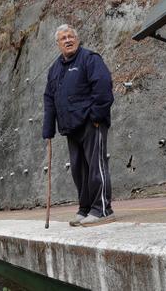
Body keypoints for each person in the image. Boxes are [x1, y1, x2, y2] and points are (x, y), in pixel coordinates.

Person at [42, 24, 115, 226]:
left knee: (95, 166)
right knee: (78, 170)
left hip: (92, 123)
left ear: (77, 39)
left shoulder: (90, 59)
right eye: (63, 38)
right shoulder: (55, 69)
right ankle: (85, 208)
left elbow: (103, 86)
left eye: (70, 36)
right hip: (70, 127)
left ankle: (102, 209)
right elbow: (49, 98)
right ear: (58, 44)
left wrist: (97, 115)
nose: (67, 40)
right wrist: (48, 129)